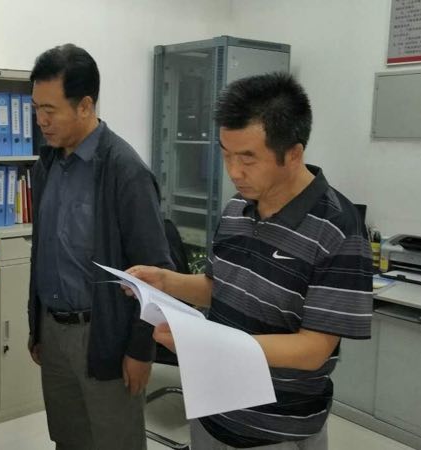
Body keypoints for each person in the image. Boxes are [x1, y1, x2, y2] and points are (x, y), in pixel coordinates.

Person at [128, 73, 373, 450]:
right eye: (226, 154)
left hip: (275, 430)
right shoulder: (236, 209)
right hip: (211, 411)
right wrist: (165, 281)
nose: (234, 171)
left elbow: (313, 349)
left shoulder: (338, 228)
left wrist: (209, 345)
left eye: (248, 158)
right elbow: (219, 288)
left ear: (293, 154)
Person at [26, 43, 173, 450]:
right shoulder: (47, 165)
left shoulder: (125, 171)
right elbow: (44, 253)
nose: (41, 120)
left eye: (50, 110)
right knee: (68, 440)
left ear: (86, 106)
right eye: (36, 108)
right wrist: (37, 326)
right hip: (54, 332)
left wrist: (141, 349)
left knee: (114, 442)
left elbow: (155, 270)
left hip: (105, 332)